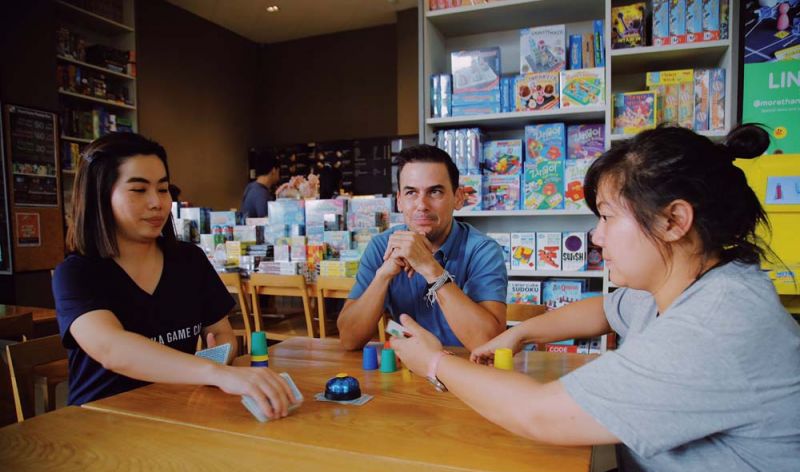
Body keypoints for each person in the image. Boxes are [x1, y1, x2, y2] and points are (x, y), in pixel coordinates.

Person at [390, 125, 800, 472]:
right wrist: (521, 333)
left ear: (673, 220)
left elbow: (538, 414)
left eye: (606, 217)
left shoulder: (713, 327)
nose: (596, 237)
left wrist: (435, 363)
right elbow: (604, 309)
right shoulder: (690, 284)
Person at [52, 132, 296, 420]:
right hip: (100, 421)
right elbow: (111, 348)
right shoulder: (77, 273)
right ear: (100, 197)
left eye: (163, 188)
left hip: (175, 411)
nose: (157, 202)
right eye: (139, 190)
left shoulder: (188, 260)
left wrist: (217, 359)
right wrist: (216, 373)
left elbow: (221, 333)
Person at [337, 144, 507, 351]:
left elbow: (489, 344)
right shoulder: (382, 246)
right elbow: (349, 339)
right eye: (411, 192)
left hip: (467, 365)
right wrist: (383, 275)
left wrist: (430, 267)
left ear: (458, 198)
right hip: (407, 365)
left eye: (435, 192)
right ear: (399, 201)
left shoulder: (483, 250)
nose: (422, 205)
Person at [240, 151, 280, 217]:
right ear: (274, 170)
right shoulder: (261, 193)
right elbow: (267, 220)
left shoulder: (251, 186)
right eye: (278, 171)